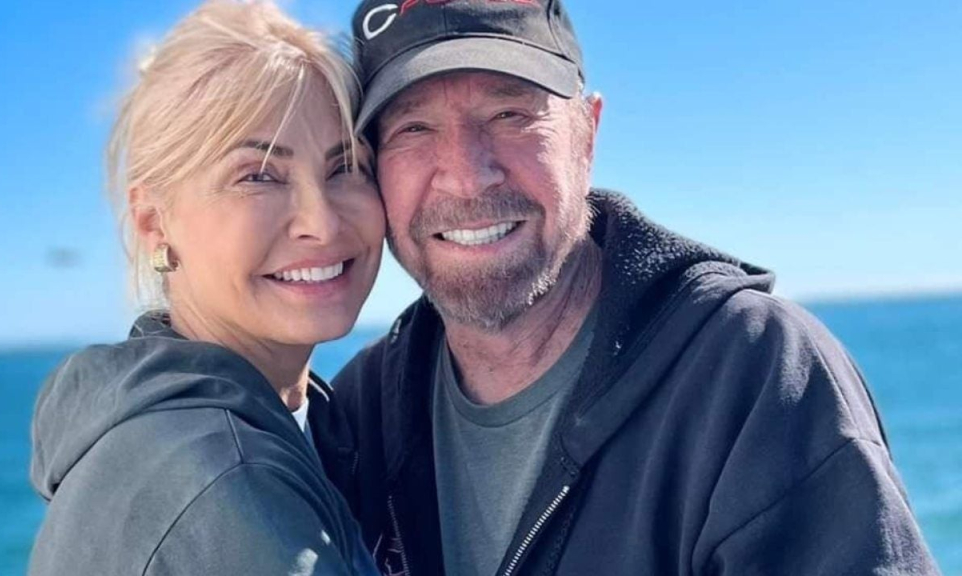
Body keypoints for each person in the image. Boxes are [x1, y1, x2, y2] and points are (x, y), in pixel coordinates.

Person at [312, 1, 942, 574]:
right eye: (414, 129)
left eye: (510, 114)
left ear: (587, 136)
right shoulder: (362, 413)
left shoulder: (755, 375)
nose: (468, 177)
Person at [28, 1, 382, 574]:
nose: (321, 221)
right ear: (154, 223)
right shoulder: (227, 484)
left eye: (346, 167)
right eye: (258, 175)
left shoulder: (284, 423)